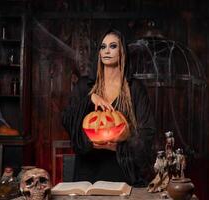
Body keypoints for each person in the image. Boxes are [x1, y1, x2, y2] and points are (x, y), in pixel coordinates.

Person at [62, 29, 156, 187]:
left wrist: (118, 147)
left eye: (113, 46)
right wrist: (89, 99)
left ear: (122, 52)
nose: (106, 50)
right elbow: (67, 118)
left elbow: (147, 131)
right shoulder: (85, 86)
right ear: (98, 52)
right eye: (103, 46)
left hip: (121, 170)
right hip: (88, 170)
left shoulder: (134, 88)